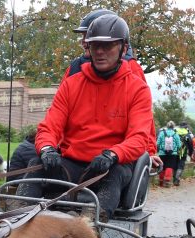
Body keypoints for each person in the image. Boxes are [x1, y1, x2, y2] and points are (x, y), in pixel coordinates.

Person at [20, 15, 153, 222]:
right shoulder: (72, 84)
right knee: (36, 163)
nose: (99, 51)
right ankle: (17, 224)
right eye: (94, 45)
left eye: (107, 46)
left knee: (114, 175)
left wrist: (112, 155)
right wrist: (47, 149)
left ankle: (91, 228)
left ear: (123, 49)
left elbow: (138, 139)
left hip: (110, 167)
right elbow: (49, 126)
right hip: (72, 163)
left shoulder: (138, 89)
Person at [63, 8, 160, 169]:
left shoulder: (131, 68)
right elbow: (60, 112)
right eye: (84, 37)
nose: (85, 41)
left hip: (113, 157)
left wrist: (149, 152)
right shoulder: (75, 67)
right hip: (74, 151)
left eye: (88, 35)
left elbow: (143, 118)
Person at [156, 121, 182, 187]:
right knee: (169, 166)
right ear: (173, 126)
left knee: (162, 166)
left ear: (167, 126)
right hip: (173, 153)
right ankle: (167, 182)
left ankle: (161, 182)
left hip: (162, 153)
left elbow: (157, 143)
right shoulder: (175, 134)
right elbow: (179, 145)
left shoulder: (162, 133)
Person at [173, 121, 194, 186]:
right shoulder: (188, 134)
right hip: (183, 152)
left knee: (175, 164)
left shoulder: (175, 132)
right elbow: (190, 145)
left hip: (174, 151)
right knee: (181, 165)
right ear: (186, 126)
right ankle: (177, 179)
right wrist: (190, 154)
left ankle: (174, 179)